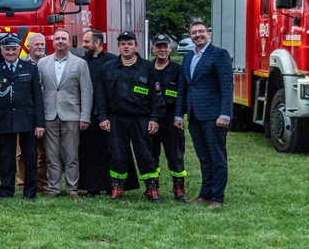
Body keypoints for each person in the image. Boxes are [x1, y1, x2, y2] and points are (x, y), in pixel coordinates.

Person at [95, 31, 164, 201]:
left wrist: (155, 118)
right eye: (123, 44)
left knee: (145, 155)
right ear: (118, 47)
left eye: (130, 43)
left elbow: (157, 96)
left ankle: (151, 188)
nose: (126, 47)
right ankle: (117, 188)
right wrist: (103, 117)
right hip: (116, 119)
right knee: (118, 155)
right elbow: (100, 95)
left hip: (141, 119)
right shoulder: (108, 68)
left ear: (136, 46)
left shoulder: (148, 68)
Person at [176, 20, 233, 208]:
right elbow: (183, 88)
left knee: (217, 157)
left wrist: (225, 114)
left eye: (201, 31)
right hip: (194, 115)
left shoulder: (219, 55)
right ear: (190, 36)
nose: (198, 35)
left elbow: (226, 86)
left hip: (213, 116)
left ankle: (217, 197)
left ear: (209, 34)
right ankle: (205, 193)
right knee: (203, 157)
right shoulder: (188, 57)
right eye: (194, 32)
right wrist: (178, 115)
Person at [0, 34, 45, 200]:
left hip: (27, 119)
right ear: (2, 51)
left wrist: (39, 123)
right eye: (7, 49)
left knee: (30, 158)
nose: (10, 52)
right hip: (4, 120)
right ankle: (6, 191)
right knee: (6, 159)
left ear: (19, 50)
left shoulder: (30, 68)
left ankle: (30, 192)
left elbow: (38, 98)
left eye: (13, 49)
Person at [37, 29, 92, 199]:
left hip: (72, 115)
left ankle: (72, 189)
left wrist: (85, 116)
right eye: (57, 39)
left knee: (71, 155)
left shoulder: (80, 63)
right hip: (49, 114)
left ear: (69, 42)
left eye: (64, 39)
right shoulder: (43, 63)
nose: (61, 41)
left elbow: (86, 91)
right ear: (53, 42)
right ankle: (53, 190)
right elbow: (38, 91)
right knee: (52, 156)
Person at [149, 34, 188, 202]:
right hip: (152, 119)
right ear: (153, 49)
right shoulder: (147, 68)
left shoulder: (178, 70)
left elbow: (183, 96)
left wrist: (179, 116)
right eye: (159, 46)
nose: (162, 49)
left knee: (175, 155)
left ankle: (178, 188)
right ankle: (152, 188)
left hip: (172, 118)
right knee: (151, 155)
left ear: (170, 49)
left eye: (165, 46)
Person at [80, 29, 117, 197]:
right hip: (87, 114)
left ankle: (111, 186)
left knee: (109, 151)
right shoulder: (81, 62)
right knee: (89, 152)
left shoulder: (112, 62)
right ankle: (91, 187)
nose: (83, 45)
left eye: (87, 42)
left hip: (107, 115)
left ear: (97, 43)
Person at [16, 33, 49, 194]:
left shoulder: (51, 62)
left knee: (44, 151)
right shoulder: (20, 63)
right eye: (36, 44)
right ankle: (22, 183)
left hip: (47, 112)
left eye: (42, 44)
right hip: (25, 113)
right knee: (22, 151)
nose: (40, 47)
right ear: (28, 47)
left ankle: (42, 183)